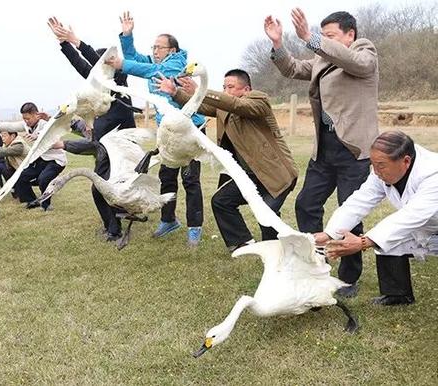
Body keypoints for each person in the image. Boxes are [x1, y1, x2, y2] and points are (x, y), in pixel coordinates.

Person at [264, 9, 379, 296]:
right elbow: (292, 68)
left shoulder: (365, 51)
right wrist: (278, 44)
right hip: (324, 148)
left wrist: (310, 38)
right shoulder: (321, 59)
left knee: (348, 212)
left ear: (350, 35)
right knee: (306, 204)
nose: (323, 40)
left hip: (353, 149)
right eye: (322, 35)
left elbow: (354, 62)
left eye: (330, 36)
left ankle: (349, 277)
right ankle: (315, 262)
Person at [156, 69, 298, 252]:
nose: (225, 90)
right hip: (249, 176)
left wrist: (202, 89)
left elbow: (237, 105)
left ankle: (278, 252)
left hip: (275, 174)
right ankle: (243, 244)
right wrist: (176, 93)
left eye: (230, 86)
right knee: (221, 201)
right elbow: (201, 106)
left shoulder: (259, 101)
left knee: (266, 214)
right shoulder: (225, 109)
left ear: (246, 89)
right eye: (224, 87)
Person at [105, 11, 206, 247]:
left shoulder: (176, 65)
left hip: (190, 130)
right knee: (166, 176)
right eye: (153, 46)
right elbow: (136, 59)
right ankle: (168, 220)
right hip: (167, 132)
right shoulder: (157, 62)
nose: (154, 51)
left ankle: (195, 227)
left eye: (159, 47)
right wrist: (127, 36)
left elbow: (147, 71)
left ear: (171, 50)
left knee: (190, 179)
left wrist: (121, 64)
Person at [316, 131, 438, 306]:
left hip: (426, 222)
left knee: (384, 235)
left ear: (406, 161)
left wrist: (363, 242)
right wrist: (329, 234)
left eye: (380, 166)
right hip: (428, 227)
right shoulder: (383, 168)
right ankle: (397, 295)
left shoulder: (433, 174)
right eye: (373, 165)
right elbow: (360, 201)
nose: (375, 171)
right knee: (387, 240)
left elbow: (411, 216)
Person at [47, 17, 138, 240]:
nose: (97, 72)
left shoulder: (118, 84)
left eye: (101, 66)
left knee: (100, 189)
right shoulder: (99, 90)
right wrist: (64, 44)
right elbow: (82, 66)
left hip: (118, 149)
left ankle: (114, 230)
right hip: (104, 150)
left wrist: (76, 41)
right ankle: (114, 223)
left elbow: (95, 62)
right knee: (106, 188)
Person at [15, 102, 67, 211]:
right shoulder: (27, 125)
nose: (26, 121)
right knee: (21, 176)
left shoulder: (45, 124)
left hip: (55, 160)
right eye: (24, 118)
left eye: (28, 118)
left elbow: (47, 131)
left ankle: (46, 205)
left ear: (35, 115)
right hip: (40, 159)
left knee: (43, 179)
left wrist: (36, 136)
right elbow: (10, 126)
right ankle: (32, 201)